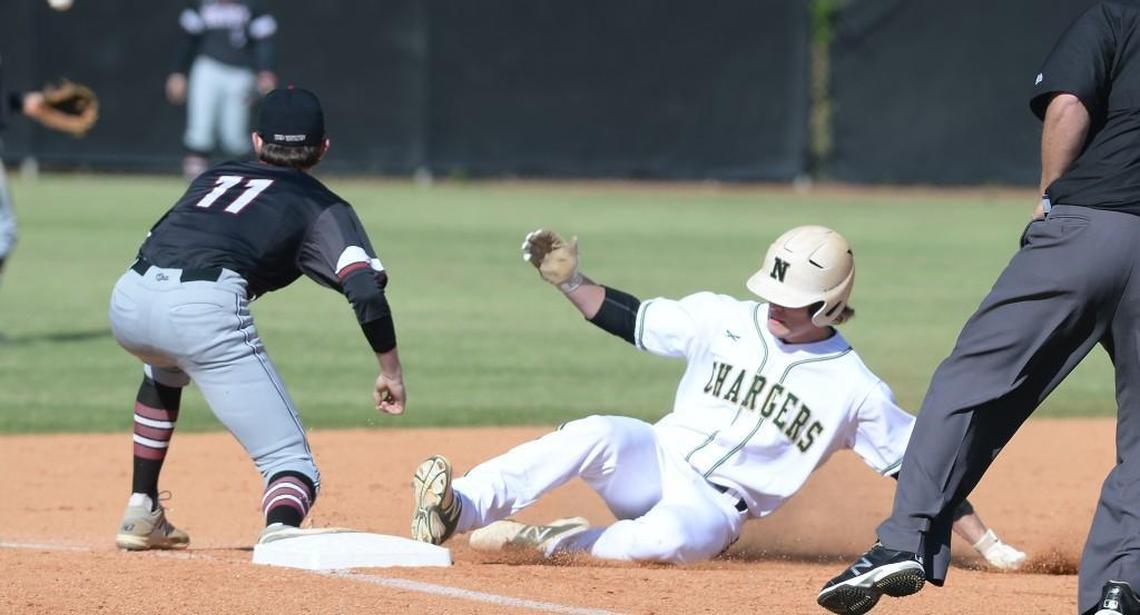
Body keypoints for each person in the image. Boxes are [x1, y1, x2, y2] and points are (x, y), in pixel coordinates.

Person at [408, 226, 1024, 572]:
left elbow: (919, 472)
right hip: (656, 455)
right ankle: (460, 507)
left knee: (660, 541)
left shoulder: (854, 389)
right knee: (596, 431)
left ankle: (548, 541)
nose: (776, 305)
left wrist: (990, 545)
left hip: (714, 508)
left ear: (831, 302)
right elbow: (634, 319)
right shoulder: (723, 317)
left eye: (794, 299)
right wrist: (571, 281)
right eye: (773, 291)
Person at [818, 4, 1140, 615]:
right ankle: (1120, 588)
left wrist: (1048, 203)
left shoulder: (1119, 13)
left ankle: (905, 540)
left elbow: (1068, 105)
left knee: (972, 382)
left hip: (1087, 227)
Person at [109, 87, 406, 550]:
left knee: (164, 366)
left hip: (129, 296)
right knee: (293, 465)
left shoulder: (213, 176)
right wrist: (391, 370)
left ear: (255, 140)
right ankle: (282, 531)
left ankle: (141, 507)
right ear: (324, 148)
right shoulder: (322, 205)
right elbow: (363, 287)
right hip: (202, 309)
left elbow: (158, 236)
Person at [167, 0, 278, 180]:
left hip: (241, 73)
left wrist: (265, 71)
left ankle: (250, 182)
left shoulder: (252, 6)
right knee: (199, 132)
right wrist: (177, 72)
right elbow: (187, 40)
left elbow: (264, 42)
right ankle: (195, 188)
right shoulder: (201, 4)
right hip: (207, 67)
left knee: (235, 139)